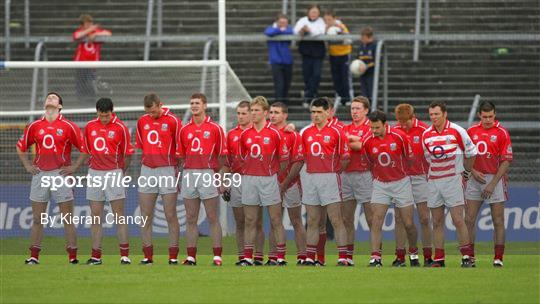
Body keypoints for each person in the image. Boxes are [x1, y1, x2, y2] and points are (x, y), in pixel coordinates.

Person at [17, 92, 87, 265]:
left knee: (67, 218)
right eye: (48, 97)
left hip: (60, 175)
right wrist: (27, 165)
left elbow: (85, 148)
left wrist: (74, 167)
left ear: (60, 106)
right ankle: (33, 256)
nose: (50, 98)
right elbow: (20, 147)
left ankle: (72, 257)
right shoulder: (34, 126)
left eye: (54, 98)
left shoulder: (68, 126)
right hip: (40, 174)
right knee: (37, 219)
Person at [422, 101, 477, 267]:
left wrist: (466, 173)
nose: (433, 118)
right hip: (434, 181)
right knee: (436, 221)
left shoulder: (457, 130)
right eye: (431, 114)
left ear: (444, 114)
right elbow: (427, 159)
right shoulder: (426, 134)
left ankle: (467, 257)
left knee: (457, 220)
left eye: (436, 114)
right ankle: (439, 258)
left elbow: (472, 152)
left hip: (453, 180)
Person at [361, 110, 418, 267]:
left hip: (401, 182)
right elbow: (368, 163)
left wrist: (399, 170)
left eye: (377, 127)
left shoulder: (399, 136)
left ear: (385, 125)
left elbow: (410, 158)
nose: (374, 131)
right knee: (376, 220)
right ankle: (375, 258)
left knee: (407, 222)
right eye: (371, 127)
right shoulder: (367, 141)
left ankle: (412, 253)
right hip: (380, 184)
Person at [237, 96, 289, 266]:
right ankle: (247, 257)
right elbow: (242, 158)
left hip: (268, 179)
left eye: (257, 110)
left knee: (275, 220)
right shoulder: (245, 134)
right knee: (250, 220)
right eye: (251, 110)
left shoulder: (275, 133)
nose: (253, 113)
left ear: (265, 113)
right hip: (250, 180)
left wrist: (274, 174)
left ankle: (280, 257)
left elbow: (284, 160)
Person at [177, 93, 227, 266]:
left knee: (213, 217)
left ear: (204, 105)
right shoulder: (184, 129)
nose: (194, 106)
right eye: (192, 103)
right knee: (191, 218)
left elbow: (222, 156)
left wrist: (219, 177)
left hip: (207, 173)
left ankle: (217, 256)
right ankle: (191, 256)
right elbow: (181, 156)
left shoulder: (215, 128)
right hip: (190, 174)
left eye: (197, 103)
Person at [83, 98, 133, 265]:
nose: (104, 118)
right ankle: (96, 256)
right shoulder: (90, 126)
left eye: (107, 115)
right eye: (101, 115)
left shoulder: (121, 128)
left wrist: (120, 171)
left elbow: (128, 153)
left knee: (119, 216)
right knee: (95, 216)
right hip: (95, 174)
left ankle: (124, 255)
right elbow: (87, 150)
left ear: (112, 112)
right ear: (97, 112)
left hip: (113, 174)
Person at [301, 97, 350, 266]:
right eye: (313, 112)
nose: (315, 115)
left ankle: (342, 257)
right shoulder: (306, 132)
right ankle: (310, 257)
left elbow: (345, 157)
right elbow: (303, 157)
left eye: (319, 112)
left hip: (329, 177)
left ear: (328, 112)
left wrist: (334, 172)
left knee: (336, 219)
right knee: (313, 220)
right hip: (311, 177)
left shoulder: (336, 132)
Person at [136, 93, 182, 265]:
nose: (151, 115)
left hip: (167, 170)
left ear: (160, 105)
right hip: (147, 170)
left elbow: (180, 147)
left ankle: (173, 257)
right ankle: (148, 256)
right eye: (149, 112)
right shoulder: (142, 121)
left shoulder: (173, 121)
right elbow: (142, 145)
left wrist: (178, 169)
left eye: (154, 112)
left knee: (170, 214)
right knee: (145, 215)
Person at [465, 101, 512, 267]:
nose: (487, 120)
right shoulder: (471, 131)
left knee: (498, 220)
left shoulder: (502, 133)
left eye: (490, 116)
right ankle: (469, 257)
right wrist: (472, 171)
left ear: (495, 114)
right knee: (469, 220)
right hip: (475, 178)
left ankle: (498, 258)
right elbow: (465, 156)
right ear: (479, 115)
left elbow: (506, 161)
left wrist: (492, 183)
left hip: (495, 179)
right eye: (484, 117)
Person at [224, 101, 266, 266]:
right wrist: (225, 182)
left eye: (244, 113)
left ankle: (258, 256)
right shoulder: (231, 135)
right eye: (238, 113)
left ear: (251, 114)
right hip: (236, 179)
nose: (240, 117)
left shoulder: (257, 132)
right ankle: (242, 257)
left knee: (256, 221)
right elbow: (227, 162)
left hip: (254, 178)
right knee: (240, 221)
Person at [392, 104, 432, 267]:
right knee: (399, 219)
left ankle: (428, 256)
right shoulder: (394, 131)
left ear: (413, 117)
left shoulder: (424, 131)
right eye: (399, 122)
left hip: (420, 178)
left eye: (405, 122)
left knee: (424, 218)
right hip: (401, 180)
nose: (402, 125)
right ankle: (401, 256)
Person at [268, 102, 307, 265]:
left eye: (277, 112)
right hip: (271, 184)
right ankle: (276, 257)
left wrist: (284, 183)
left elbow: (298, 162)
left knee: (296, 220)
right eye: (271, 112)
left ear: (285, 115)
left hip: (290, 184)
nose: (273, 115)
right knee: (274, 221)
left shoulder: (293, 135)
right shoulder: (267, 133)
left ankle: (302, 257)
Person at [341, 96, 373, 266]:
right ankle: (348, 257)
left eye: (358, 108)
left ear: (366, 110)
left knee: (371, 218)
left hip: (365, 174)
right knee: (347, 219)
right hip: (346, 175)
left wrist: (350, 141)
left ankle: (376, 255)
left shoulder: (371, 127)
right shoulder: (346, 128)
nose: (354, 112)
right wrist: (352, 141)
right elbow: (347, 145)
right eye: (352, 108)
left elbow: (362, 146)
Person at [73, 14, 112, 104]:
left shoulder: (96, 31)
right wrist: (89, 31)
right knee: (80, 85)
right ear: (82, 25)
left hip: (92, 65)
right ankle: (81, 103)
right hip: (80, 64)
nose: (89, 25)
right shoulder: (80, 32)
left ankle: (91, 103)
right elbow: (76, 36)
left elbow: (108, 33)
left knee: (91, 84)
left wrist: (95, 34)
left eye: (90, 23)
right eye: (87, 23)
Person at [294, 5, 326, 108]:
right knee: (307, 75)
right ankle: (311, 94)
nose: (313, 14)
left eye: (316, 12)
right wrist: (303, 30)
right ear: (308, 12)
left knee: (316, 74)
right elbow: (296, 31)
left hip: (318, 52)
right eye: (312, 12)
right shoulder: (302, 20)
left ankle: (308, 96)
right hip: (306, 52)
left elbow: (320, 32)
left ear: (319, 13)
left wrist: (309, 30)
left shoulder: (321, 21)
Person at [323, 10, 352, 106]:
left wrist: (342, 31)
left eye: (330, 19)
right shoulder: (325, 28)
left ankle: (347, 98)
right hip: (333, 55)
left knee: (344, 76)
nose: (328, 21)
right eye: (326, 20)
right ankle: (340, 96)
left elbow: (349, 39)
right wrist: (326, 30)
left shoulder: (341, 26)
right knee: (336, 77)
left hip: (344, 54)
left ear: (334, 19)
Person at [264, 14, 294, 104]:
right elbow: (268, 32)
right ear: (277, 22)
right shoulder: (272, 28)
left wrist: (280, 31)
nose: (283, 24)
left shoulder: (288, 29)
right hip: (276, 62)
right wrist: (279, 29)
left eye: (285, 23)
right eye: (281, 22)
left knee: (286, 85)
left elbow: (291, 31)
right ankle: (279, 105)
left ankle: (284, 105)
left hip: (288, 62)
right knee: (279, 85)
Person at [356, 27, 376, 101]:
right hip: (362, 73)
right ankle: (365, 110)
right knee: (364, 93)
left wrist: (366, 66)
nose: (362, 39)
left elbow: (376, 61)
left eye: (363, 38)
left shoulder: (374, 46)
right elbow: (357, 58)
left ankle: (372, 108)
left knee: (371, 91)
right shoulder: (361, 47)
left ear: (370, 37)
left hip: (371, 73)